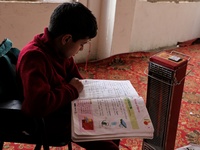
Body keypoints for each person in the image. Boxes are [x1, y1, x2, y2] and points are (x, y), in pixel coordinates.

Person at [16, 2, 120, 150]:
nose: (82, 49)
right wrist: (71, 89)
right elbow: (36, 106)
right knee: (109, 147)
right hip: (49, 122)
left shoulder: (61, 52)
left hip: (66, 110)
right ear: (66, 39)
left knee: (115, 126)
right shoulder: (34, 57)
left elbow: (77, 81)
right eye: (82, 44)